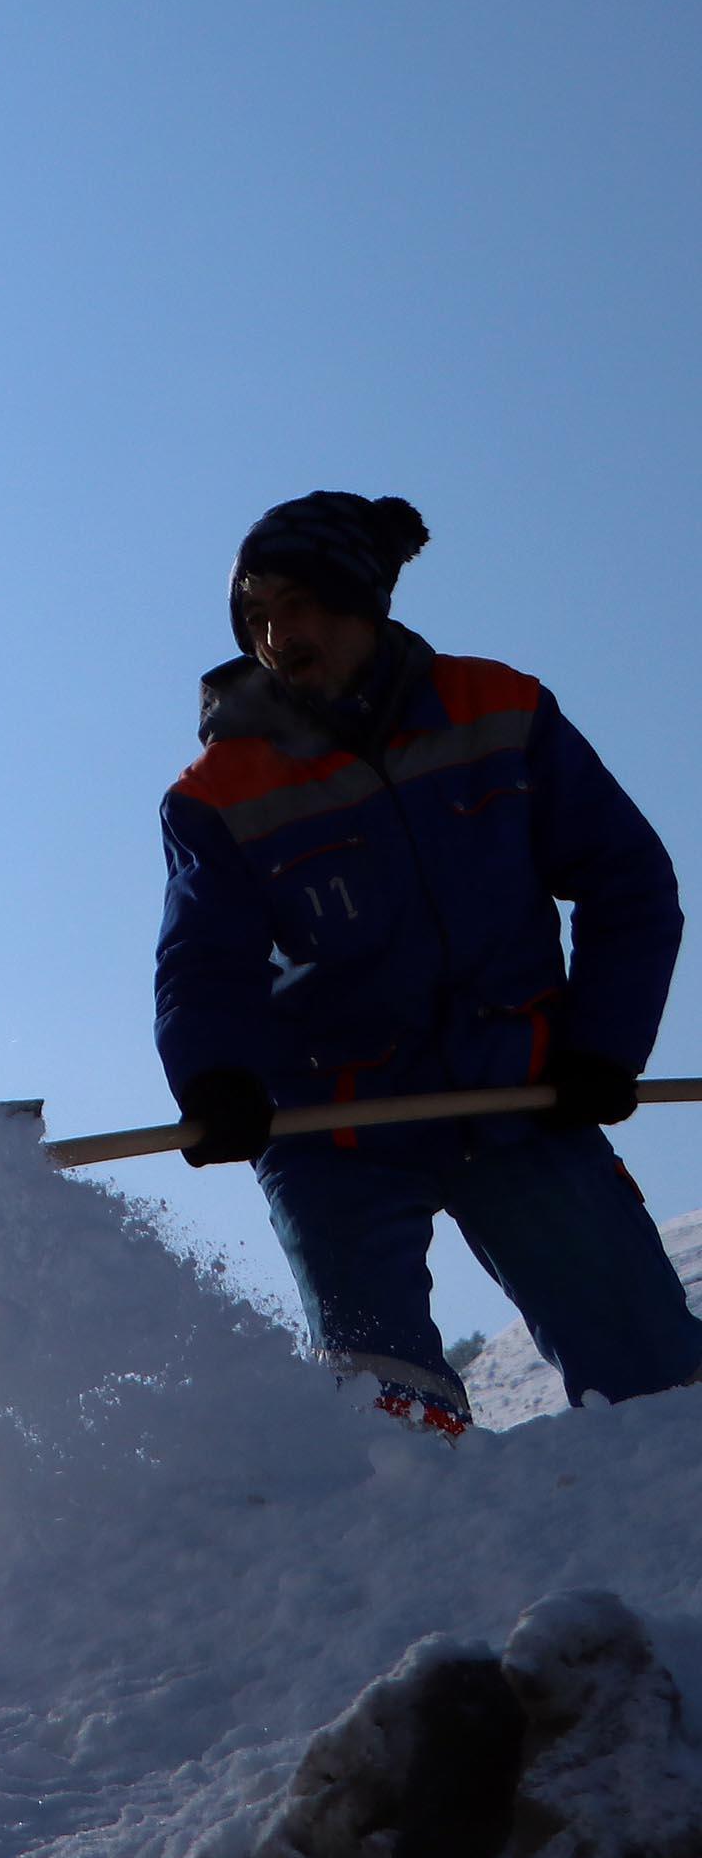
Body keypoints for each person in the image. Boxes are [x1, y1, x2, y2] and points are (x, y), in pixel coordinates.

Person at [157, 489, 695, 1434]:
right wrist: (216, 1080)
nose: (277, 635)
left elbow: (628, 883)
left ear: (362, 604)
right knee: (388, 1431)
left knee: (662, 1392)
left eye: (298, 605)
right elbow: (205, 962)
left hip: (520, 1100)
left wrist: (603, 1050)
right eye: (256, 615)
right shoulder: (218, 792)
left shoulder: (503, 710)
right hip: (333, 1127)